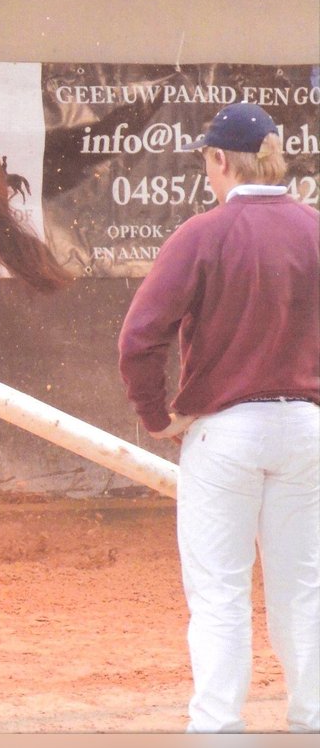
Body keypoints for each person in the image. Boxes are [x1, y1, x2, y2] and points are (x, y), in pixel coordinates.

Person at [118, 102, 319, 733]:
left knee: (219, 595)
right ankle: (314, 719)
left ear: (218, 160)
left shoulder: (203, 234)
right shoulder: (314, 228)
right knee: (305, 589)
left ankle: (217, 728)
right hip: (307, 429)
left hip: (225, 432)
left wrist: (155, 416)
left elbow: (138, 338)